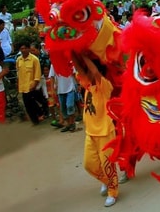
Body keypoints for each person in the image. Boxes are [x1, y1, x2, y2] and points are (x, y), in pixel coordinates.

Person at [72, 53, 119, 207]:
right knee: (88, 164)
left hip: (105, 132)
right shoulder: (87, 85)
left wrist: (85, 56)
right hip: (90, 133)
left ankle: (113, 192)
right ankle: (106, 181)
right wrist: (71, 51)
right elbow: (79, 69)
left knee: (108, 165)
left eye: (89, 71)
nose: (85, 73)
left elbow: (95, 72)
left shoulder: (105, 86)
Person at [16, 42, 44, 125]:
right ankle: (35, 119)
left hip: (31, 85)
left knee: (32, 102)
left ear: (28, 49)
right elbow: (18, 73)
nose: (23, 50)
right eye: (21, 49)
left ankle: (38, 116)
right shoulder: (18, 60)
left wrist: (35, 84)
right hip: (23, 86)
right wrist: (18, 83)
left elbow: (37, 73)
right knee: (27, 104)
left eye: (25, 48)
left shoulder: (34, 59)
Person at [49, 62, 78, 132]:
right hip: (60, 90)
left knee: (70, 106)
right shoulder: (54, 64)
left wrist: (78, 84)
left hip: (70, 88)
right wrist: (52, 89)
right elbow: (52, 77)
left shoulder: (69, 62)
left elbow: (74, 74)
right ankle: (68, 124)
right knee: (63, 108)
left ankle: (72, 123)